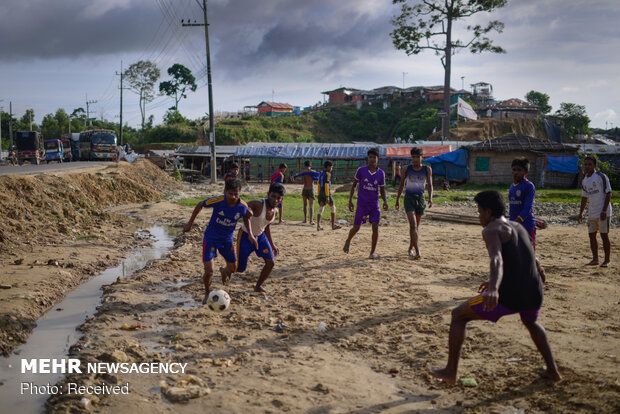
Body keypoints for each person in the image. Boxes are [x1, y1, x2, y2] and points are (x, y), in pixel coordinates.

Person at [430, 190, 561, 385]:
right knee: (531, 322)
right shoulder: (518, 227)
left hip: (509, 296)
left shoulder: (491, 230)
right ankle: (553, 371)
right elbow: (532, 259)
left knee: (458, 315)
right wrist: (495, 279)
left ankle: (450, 371)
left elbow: (497, 259)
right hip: (534, 292)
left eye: (479, 211)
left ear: (489, 212)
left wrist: (493, 287)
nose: (478, 215)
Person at [183, 178, 257, 304]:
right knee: (209, 271)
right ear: (225, 191)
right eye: (230, 193)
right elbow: (200, 204)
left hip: (227, 240)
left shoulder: (242, 206)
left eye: (236, 194)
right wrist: (190, 223)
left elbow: (246, 218)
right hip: (211, 238)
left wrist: (251, 234)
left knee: (233, 269)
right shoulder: (218, 201)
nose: (233, 196)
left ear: (240, 193)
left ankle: (224, 271)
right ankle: (207, 292)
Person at [235, 183, 285, 293]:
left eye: (278, 198)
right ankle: (224, 271)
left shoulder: (274, 211)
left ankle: (258, 286)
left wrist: (272, 244)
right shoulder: (258, 204)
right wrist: (250, 234)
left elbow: (266, 227)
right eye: (273, 196)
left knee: (270, 263)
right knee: (240, 268)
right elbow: (244, 210)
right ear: (268, 194)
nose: (275, 200)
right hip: (245, 236)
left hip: (261, 237)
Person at [343, 148, 388, 259]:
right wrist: (350, 201)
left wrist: (385, 201)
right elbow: (354, 186)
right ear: (367, 159)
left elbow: (382, 189)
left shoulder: (381, 173)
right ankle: (348, 240)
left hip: (374, 204)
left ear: (378, 159)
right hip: (362, 203)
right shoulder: (361, 170)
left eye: (374, 157)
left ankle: (372, 252)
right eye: (370, 157)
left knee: (375, 227)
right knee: (356, 227)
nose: (372, 159)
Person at [508, 157, 546, 280]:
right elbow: (514, 208)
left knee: (529, 252)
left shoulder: (529, 186)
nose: (515, 172)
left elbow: (528, 207)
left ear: (526, 172)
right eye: (514, 169)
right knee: (515, 251)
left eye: (519, 170)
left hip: (526, 226)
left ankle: (538, 270)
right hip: (514, 224)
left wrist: (518, 221)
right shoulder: (512, 187)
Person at [395, 147, 433, 259]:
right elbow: (401, 184)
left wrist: (430, 198)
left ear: (422, 157)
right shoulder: (406, 169)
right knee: (413, 225)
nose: (415, 159)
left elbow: (430, 185)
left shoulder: (427, 169)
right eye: (413, 157)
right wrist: (397, 199)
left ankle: (410, 248)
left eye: (417, 157)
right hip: (409, 198)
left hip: (420, 199)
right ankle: (417, 251)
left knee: (416, 227)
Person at [578, 156, 612, 267]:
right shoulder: (584, 180)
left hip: (603, 212)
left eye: (589, 164)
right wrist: (581, 213)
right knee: (591, 235)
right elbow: (584, 197)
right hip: (592, 212)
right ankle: (595, 259)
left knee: (604, 236)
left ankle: (607, 260)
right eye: (585, 164)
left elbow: (608, 193)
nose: (587, 166)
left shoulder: (601, 177)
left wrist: (604, 210)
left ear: (595, 166)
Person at [316, 161, 341, 231]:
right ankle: (333, 225)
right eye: (331, 167)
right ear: (328, 167)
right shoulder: (328, 174)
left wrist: (319, 194)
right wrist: (327, 196)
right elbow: (326, 185)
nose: (331, 168)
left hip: (320, 192)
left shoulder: (321, 173)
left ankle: (318, 225)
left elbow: (318, 184)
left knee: (321, 207)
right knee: (333, 207)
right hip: (326, 192)